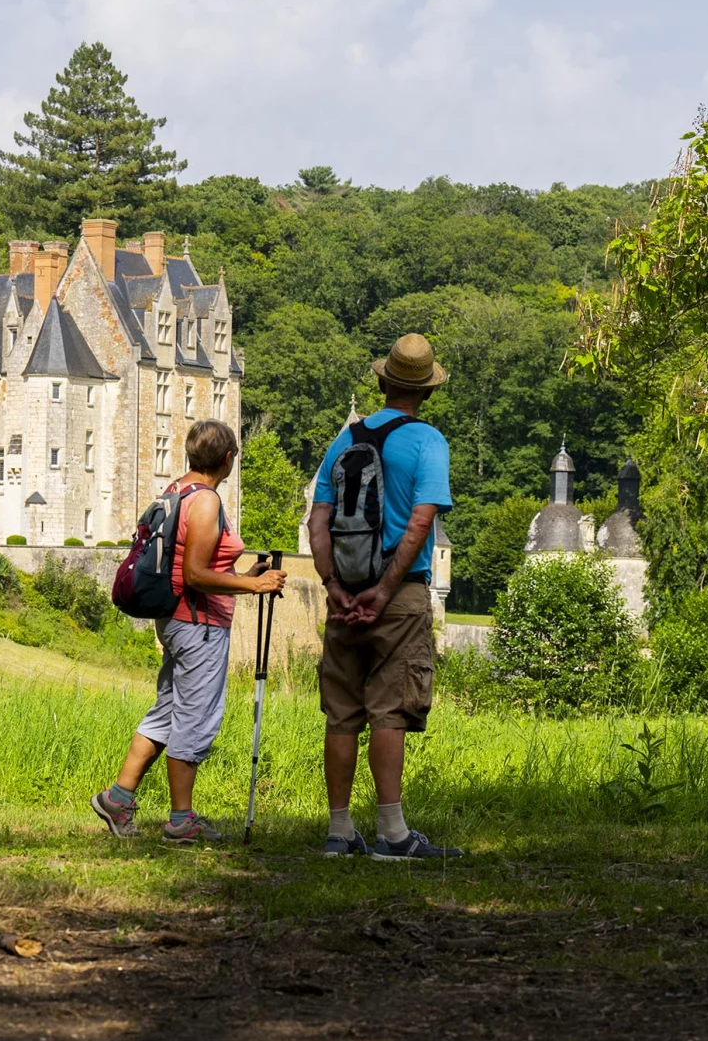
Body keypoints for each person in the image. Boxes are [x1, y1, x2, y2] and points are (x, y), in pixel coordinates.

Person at [306, 333, 464, 861]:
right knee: (390, 710)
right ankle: (393, 835)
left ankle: (338, 831)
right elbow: (422, 522)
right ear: (427, 391)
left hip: (344, 592)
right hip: (398, 597)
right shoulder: (428, 442)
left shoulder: (347, 439)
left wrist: (333, 586)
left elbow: (318, 517)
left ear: (381, 380)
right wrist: (384, 590)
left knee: (343, 713)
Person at [91, 419, 286, 844]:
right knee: (195, 718)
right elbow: (195, 574)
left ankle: (118, 798)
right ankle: (181, 820)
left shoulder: (177, 490)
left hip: (177, 619)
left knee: (167, 710)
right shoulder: (207, 502)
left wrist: (243, 573)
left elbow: (198, 564)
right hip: (198, 624)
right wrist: (254, 585)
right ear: (228, 459)